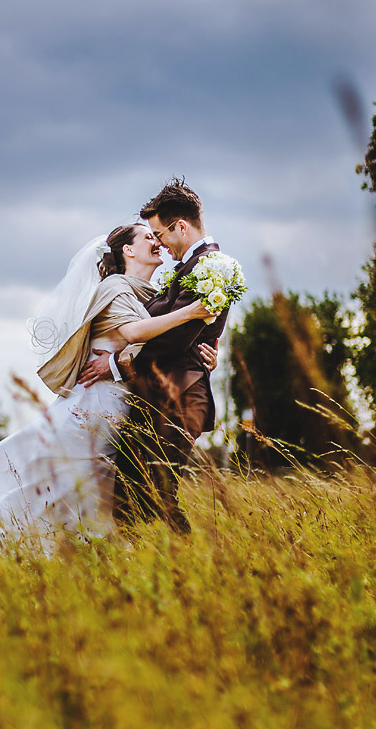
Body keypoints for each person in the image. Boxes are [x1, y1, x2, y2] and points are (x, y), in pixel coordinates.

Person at [0, 223, 216, 551]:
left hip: (123, 405)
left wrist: (199, 354)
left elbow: (158, 346)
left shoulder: (153, 296)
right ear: (128, 250)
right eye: (148, 237)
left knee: (84, 486)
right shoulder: (113, 288)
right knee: (56, 478)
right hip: (97, 404)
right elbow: (136, 334)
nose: (157, 242)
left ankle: (71, 554)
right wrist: (193, 313)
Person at [78, 179, 232, 533]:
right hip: (159, 394)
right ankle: (140, 569)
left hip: (182, 395)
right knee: (129, 492)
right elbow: (173, 327)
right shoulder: (187, 269)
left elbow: (176, 338)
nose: (158, 242)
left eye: (159, 233)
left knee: (156, 492)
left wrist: (115, 362)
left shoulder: (213, 267)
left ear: (180, 226)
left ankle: (191, 567)